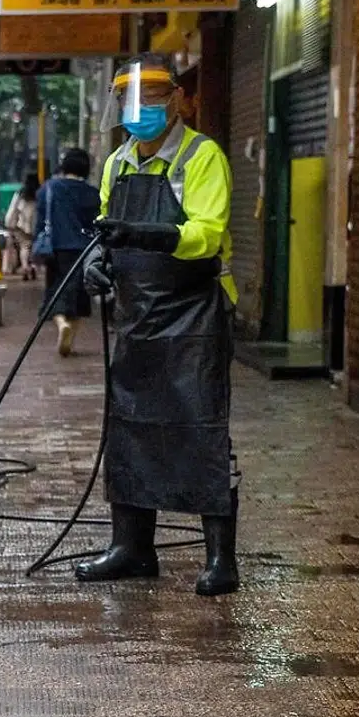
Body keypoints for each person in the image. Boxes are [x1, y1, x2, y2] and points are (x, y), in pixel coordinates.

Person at [76, 54, 238, 596]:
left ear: (175, 101)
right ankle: (132, 548)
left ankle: (220, 559)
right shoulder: (117, 162)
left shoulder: (201, 156)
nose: (139, 110)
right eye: (130, 101)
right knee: (130, 423)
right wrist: (98, 263)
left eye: (150, 99)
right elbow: (106, 230)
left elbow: (207, 235)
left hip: (194, 313)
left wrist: (150, 235)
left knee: (200, 426)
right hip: (136, 314)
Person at [33, 148, 100, 357]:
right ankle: (70, 341)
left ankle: (61, 324)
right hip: (84, 249)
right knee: (79, 295)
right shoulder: (92, 192)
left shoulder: (49, 188)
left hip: (56, 248)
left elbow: (41, 218)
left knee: (55, 290)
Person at [4, 173, 39, 280]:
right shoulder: (40, 193)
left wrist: (9, 223)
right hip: (35, 225)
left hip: (22, 226)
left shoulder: (20, 194)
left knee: (24, 247)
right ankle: (32, 266)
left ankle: (25, 267)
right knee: (33, 247)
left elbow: (13, 209)